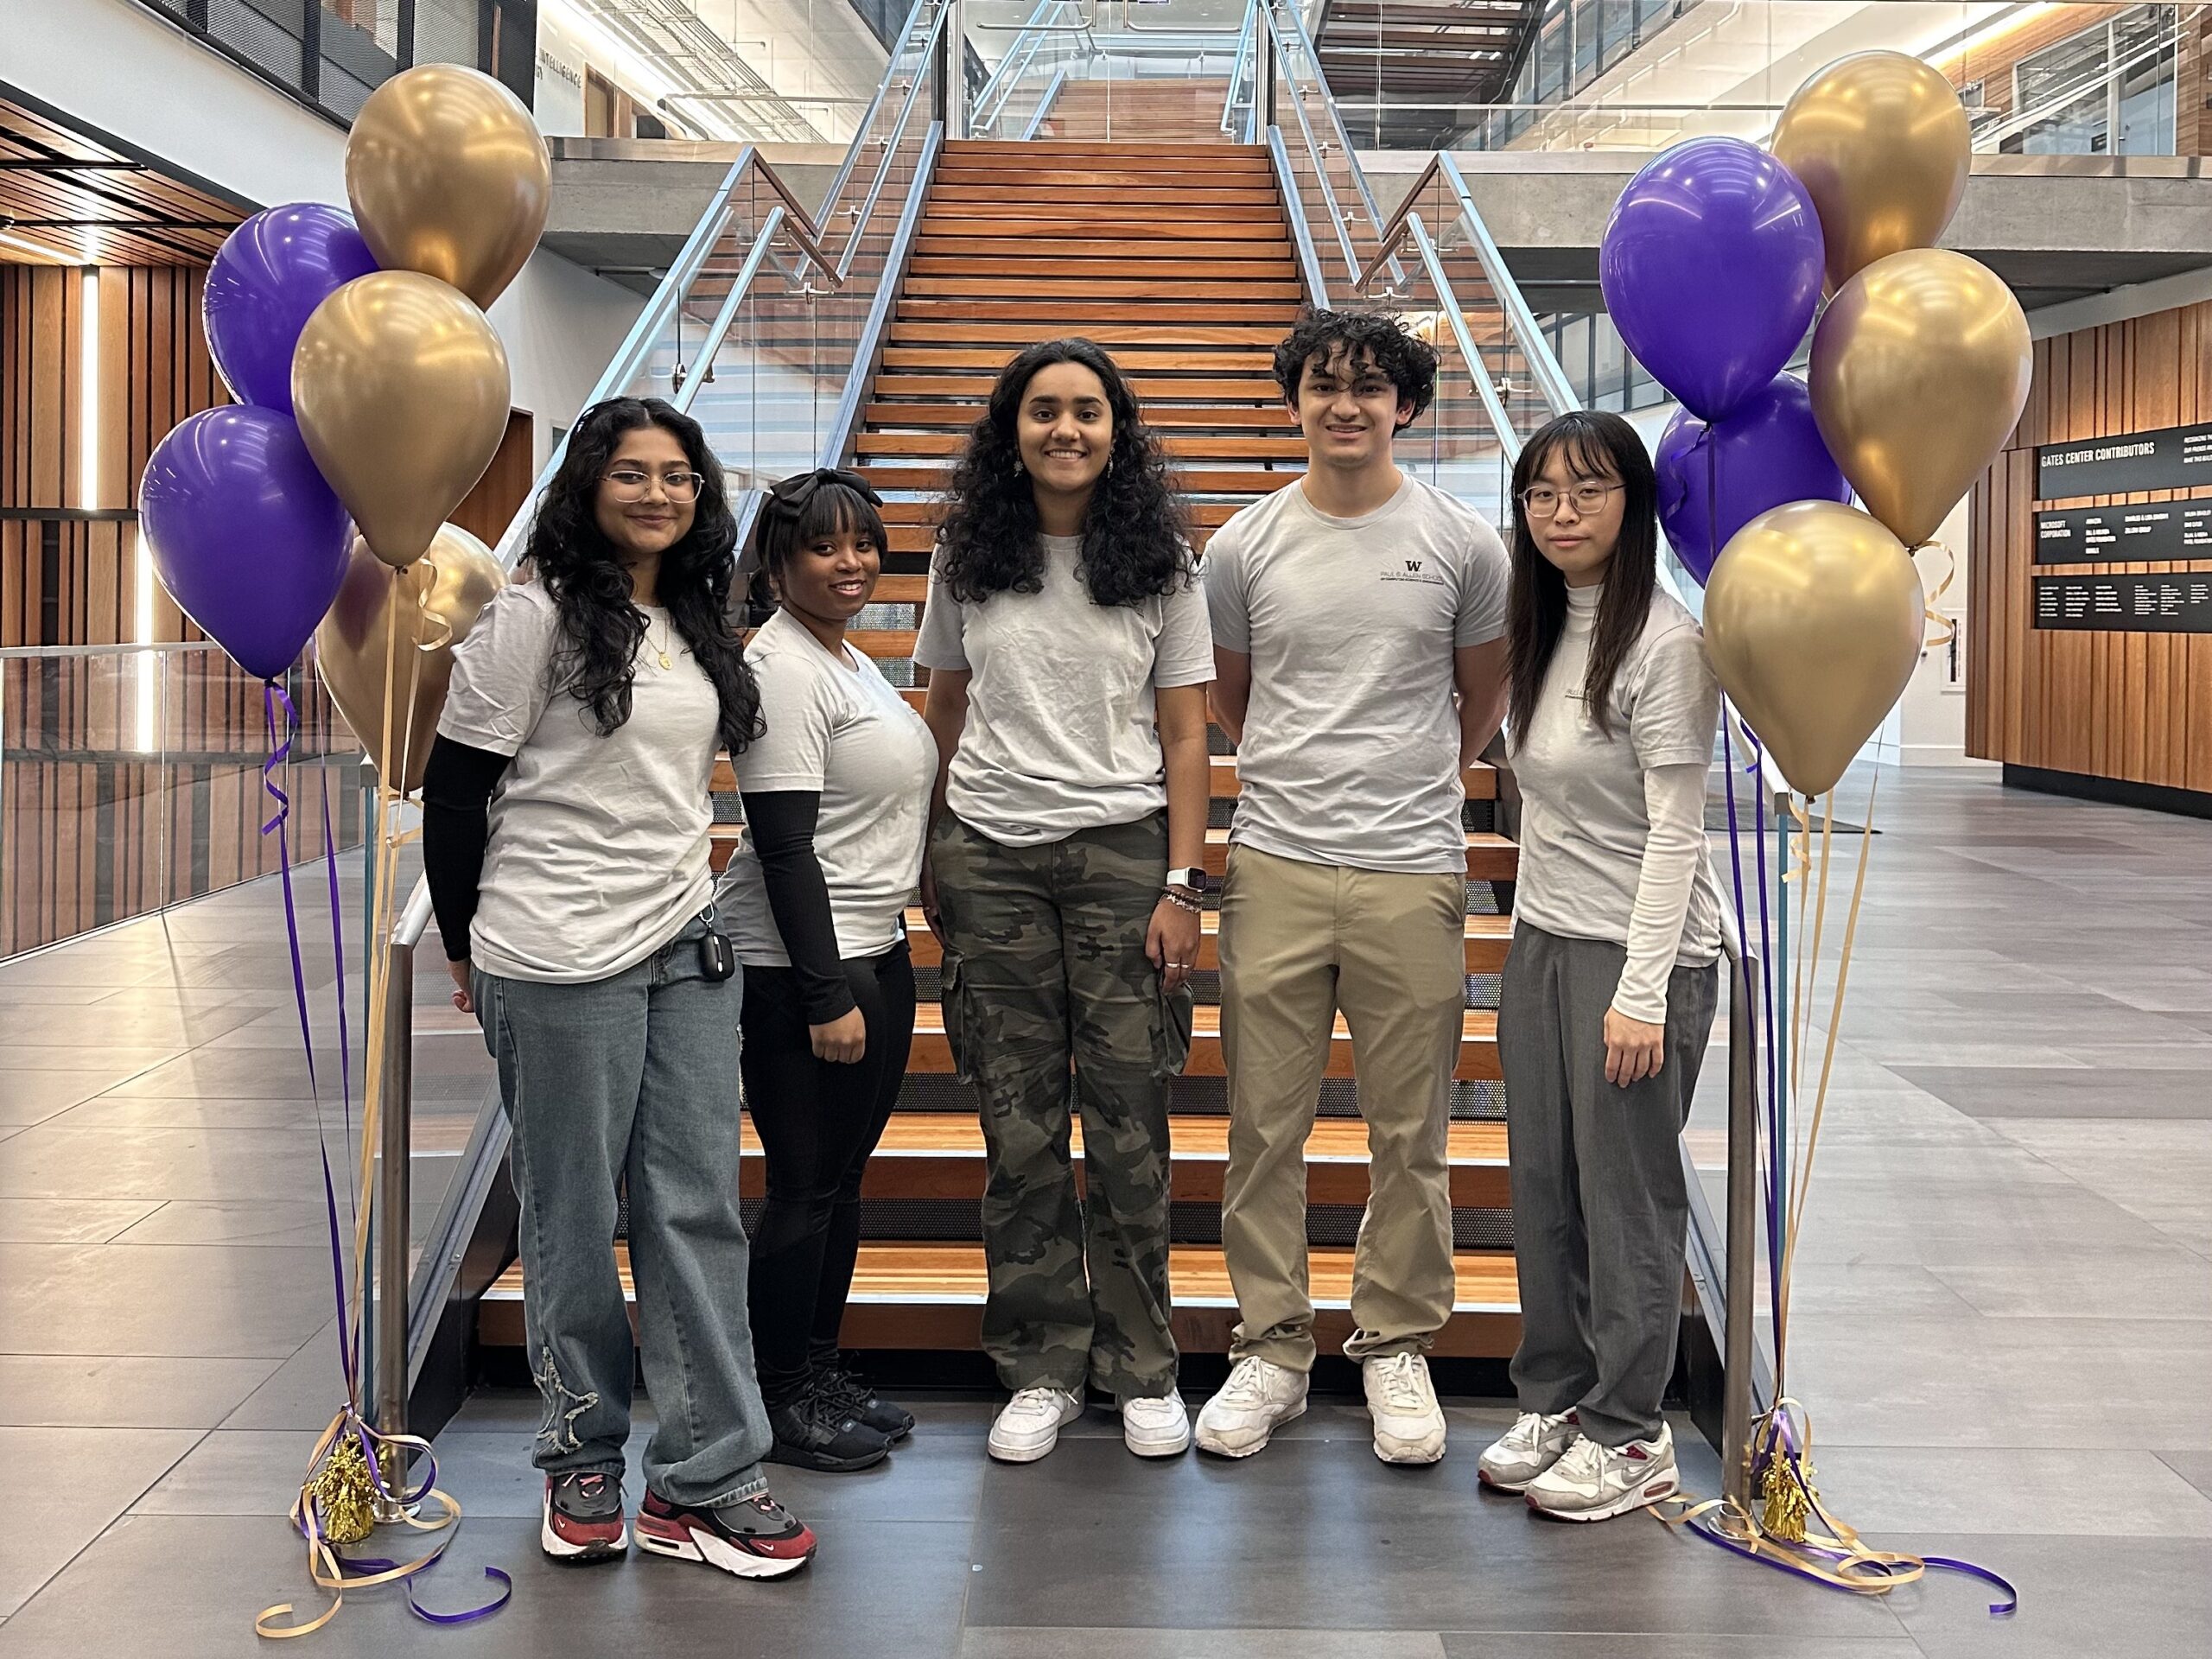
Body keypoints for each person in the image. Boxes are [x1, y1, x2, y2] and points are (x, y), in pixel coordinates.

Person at [421, 397, 816, 1578]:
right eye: (634, 473)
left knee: (694, 1209)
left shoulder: (704, 621)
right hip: (549, 953)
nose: (659, 493)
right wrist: (461, 947)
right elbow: (454, 790)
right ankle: (580, 1455)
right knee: (571, 1221)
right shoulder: (530, 617)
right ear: (589, 484)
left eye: (680, 475)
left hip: (682, 947)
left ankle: (705, 1477)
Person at [1195, 308, 1510, 1465]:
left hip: (1413, 867)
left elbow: (1479, 705)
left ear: (1406, 408)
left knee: (1409, 1133)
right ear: (1296, 402)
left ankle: (1394, 1344)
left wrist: (1406, 781)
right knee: (1262, 1130)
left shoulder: (1467, 544)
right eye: (1325, 385)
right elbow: (1234, 701)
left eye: (1370, 387)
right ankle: (1272, 1346)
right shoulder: (1242, 547)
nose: (1346, 405)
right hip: (1274, 860)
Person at [916, 337, 1212, 1465]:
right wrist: (925, 848)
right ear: (1012, 429)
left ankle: (1141, 1366)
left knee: (1131, 1126)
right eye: (1043, 411)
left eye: (1089, 411)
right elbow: (940, 708)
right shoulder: (966, 552)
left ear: (1117, 430)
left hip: (1126, 854)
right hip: (989, 856)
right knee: (1019, 1127)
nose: (1066, 430)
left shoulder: (1160, 560)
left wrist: (1186, 882)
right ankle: (1040, 1364)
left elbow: (1188, 730)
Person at [1476, 410, 1722, 1521]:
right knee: (1545, 1190)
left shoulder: (1666, 645)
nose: (1561, 513)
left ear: (1636, 504)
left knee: (1625, 1198)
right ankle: (1560, 1396)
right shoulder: (1541, 628)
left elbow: (1678, 831)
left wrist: (1640, 992)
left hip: (1641, 957)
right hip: (1545, 942)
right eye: (1540, 494)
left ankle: (1633, 1432)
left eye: (1587, 490)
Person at [719, 467, 936, 1473]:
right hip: (804, 962)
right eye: (823, 546)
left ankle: (819, 1367)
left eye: (863, 543)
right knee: (803, 1189)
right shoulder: (781, 666)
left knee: (841, 1185)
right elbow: (782, 845)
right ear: (776, 562)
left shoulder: (839, 656)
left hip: (873, 943)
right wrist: (821, 992)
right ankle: (778, 1398)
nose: (850, 563)